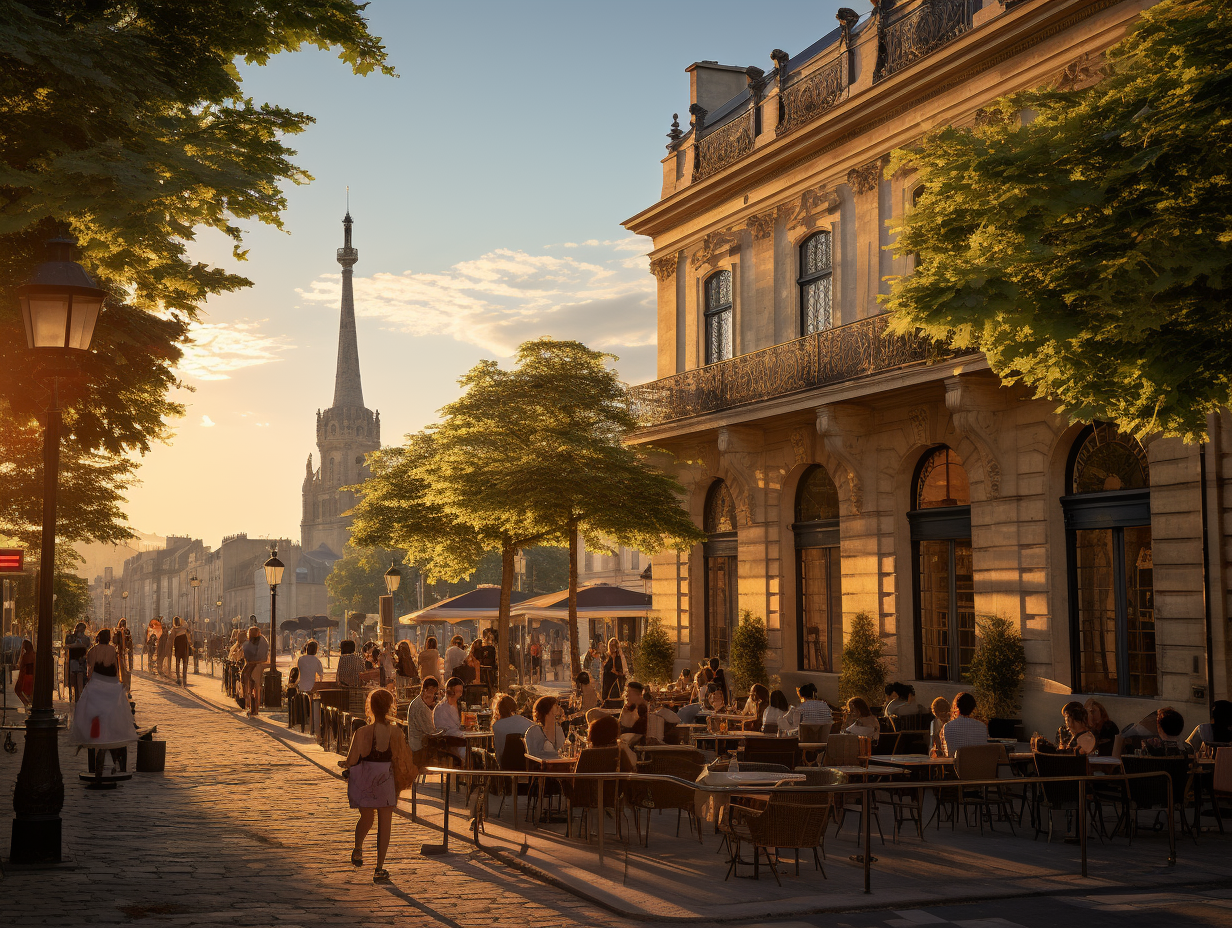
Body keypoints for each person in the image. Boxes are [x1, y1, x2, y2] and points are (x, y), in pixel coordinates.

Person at [340, 687, 408, 883]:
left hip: (365, 778)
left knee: (367, 818)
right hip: (385, 778)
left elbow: (352, 759)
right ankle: (379, 867)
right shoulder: (396, 732)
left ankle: (358, 847)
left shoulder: (362, 732)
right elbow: (402, 759)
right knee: (385, 824)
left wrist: (346, 765)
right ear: (390, 707)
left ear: (370, 707)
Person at [69, 629, 135, 753]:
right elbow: (115, 669)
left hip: (96, 683)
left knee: (93, 712)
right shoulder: (112, 651)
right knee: (112, 711)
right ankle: (110, 735)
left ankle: (95, 735)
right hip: (110, 683)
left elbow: (90, 670)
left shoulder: (92, 651)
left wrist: (91, 681)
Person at [941, 692, 988, 756]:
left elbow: (950, 753)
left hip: (958, 765)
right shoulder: (982, 727)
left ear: (957, 706)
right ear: (973, 708)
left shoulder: (948, 727)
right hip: (978, 765)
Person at [405, 676, 439, 765]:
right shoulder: (420, 707)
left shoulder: (420, 703)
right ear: (425, 690)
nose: (432, 696)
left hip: (419, 746)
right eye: (431, 692)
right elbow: (429, 731)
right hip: (419, 748)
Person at [432, 677, 466, 763]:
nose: (460, 695)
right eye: (458, 692)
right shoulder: (441, 709)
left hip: (458, 742)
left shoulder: (457, 706)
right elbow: (444, 730)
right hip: (449, 746)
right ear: (450, 691)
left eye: (461, 692)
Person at [491, 693, 533, 760]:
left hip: (506, 763)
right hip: (526, 762)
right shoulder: (526, 722)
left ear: (497, 709)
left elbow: (499, 751)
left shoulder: (497, 726)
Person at [241, 625, 269, 718]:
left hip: (256, 665)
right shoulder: (260, 641)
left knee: (253, 685)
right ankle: (252, 706)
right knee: (254, 686)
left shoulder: (259, 642)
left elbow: (259, 656)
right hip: (255, 664)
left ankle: (252, 706)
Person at [65, 622, 91, 702]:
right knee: (73, 680)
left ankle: (79, 697)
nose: (81, 630)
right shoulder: (71, 637)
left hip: (81, 661)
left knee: (80, 680)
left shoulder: (86, 638)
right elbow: (67, 646)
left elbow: (87, 646)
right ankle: (75, 696)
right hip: (73, 660)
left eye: (83, 629)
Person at [169, 616, 191, 686]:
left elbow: (189, 634)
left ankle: (183, 679)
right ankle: (179, 678)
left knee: (183, 663)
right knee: (178, 663)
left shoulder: (182, 628)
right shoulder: (174, 629)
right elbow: (171, 638)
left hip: (183, 648)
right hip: (179, 648)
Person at [14, 638, 34, 707]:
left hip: (27, 677)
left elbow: (21, 665)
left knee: (18, 690)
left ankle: (26, 703)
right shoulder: (34, 654)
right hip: (33, 676)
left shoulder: (25, 656)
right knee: (30, 694)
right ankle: (29, 704)